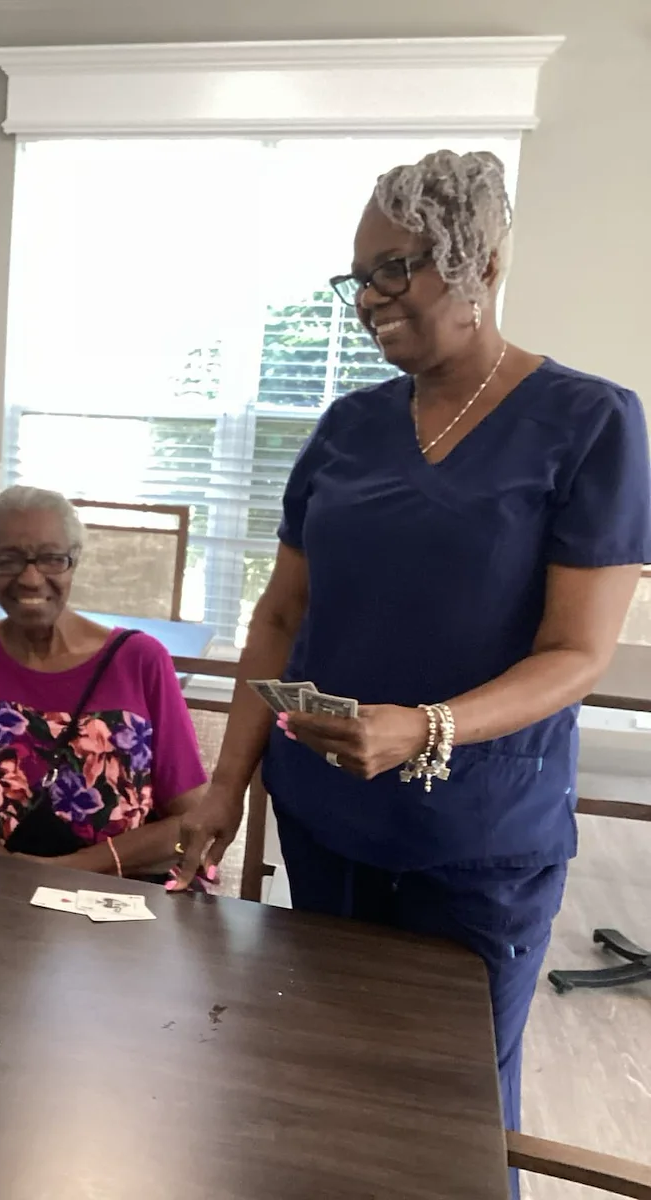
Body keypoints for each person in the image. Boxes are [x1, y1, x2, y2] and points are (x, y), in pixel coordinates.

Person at [173, 149, 650, 1177]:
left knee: (454, 1109)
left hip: (478, 835)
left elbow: (577, 652)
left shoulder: (590, 423)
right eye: (358, 278)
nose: (368, 302)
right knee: (334, 1072)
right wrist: (224, 784)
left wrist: (427, 726)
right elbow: (280, 618)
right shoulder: (346, 428)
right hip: (328, 818)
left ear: (475, 259)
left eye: (395, 270)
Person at [0, 486, 209, 879]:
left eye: (52, 559)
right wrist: (8, 875)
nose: (30, 578)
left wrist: (68, 870)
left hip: (120, 890)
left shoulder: (141, 660)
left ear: (73, 563)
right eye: (7, 560)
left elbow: (194, 817)